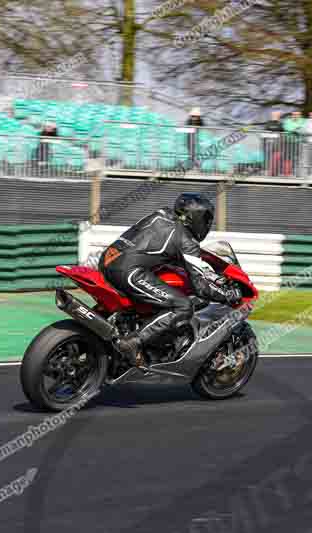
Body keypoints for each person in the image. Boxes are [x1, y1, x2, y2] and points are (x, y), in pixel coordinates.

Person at [99, 193, 242, 366]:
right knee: (182, 305)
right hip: (128, 273)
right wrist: (227, 294)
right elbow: (201, 287)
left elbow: (157, 247)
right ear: (195, 217)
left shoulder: (160, 214)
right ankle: (134, 341)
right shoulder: (186, 241)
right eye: (206, 219)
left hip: (107, 260)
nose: (207, 224)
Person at [282, 111, 305, 177]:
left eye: (297, 114)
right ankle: (287, 173)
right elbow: (286, 128)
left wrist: (295, 130)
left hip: (298, 142)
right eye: (294, 114)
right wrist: (295, 129)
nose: (295, 116)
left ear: (300, 115)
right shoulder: (287, 121)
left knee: (298, 158)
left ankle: (298, 173)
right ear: (292, 115)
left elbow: (303, 129)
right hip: (288, 142)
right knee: (287, 158)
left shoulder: (303, 121)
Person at [263, 111, 285, 176]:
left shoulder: (280, 123)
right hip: (268, 143)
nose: (276, 116)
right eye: (275, 115)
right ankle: (268, 172)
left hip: (277, 144)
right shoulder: (268, 123)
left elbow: (282, 130)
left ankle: (274, 173)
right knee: (268, 158)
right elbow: (266, 129)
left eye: (277, 115)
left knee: (276, 158)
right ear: (272, 115)